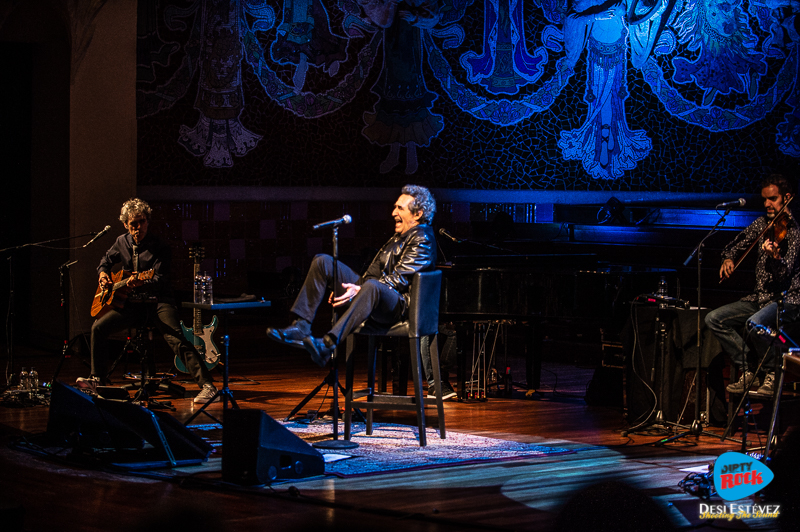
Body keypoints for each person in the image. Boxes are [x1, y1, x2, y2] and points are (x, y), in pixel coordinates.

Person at [267, 185, 438, 371]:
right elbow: (371, 275)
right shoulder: (398, 237)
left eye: (400, 208)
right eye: (395, 207)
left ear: (418, 214)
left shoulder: (423, 238)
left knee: (372, 286)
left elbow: (399, 279)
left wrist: (362, 289)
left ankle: (327, 344)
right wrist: (350, 289)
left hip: (398, 307)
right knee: (323, 262)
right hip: (376, 295)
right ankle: (302, 326)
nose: (393, 212)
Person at [77, 198, 219, 404]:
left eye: (142, 222)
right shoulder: (121, 242)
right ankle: (97, 380)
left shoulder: (160, 246)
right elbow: (105, 262)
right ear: (125, 224)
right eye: (133, 223)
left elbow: (161, 279)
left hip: (160, 301)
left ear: (147, 222)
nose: (138, 227)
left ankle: (208, 386)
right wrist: (103, 275)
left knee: (176, 338)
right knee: (98, 328)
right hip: (133, 303)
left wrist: (142, 282)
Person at [705, 174, 800, 396]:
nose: (767, 204)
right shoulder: (761, 224)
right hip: (760, 298)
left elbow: (786, 276)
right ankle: (749, 370)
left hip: (786, 299)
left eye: (773, 199)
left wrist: (775, 257)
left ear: (786, 198)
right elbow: (733, 246)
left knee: (754, 324)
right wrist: (728, 258)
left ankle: (771, 373)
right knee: (714, 318)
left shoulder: (794, 231)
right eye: (764, 199)